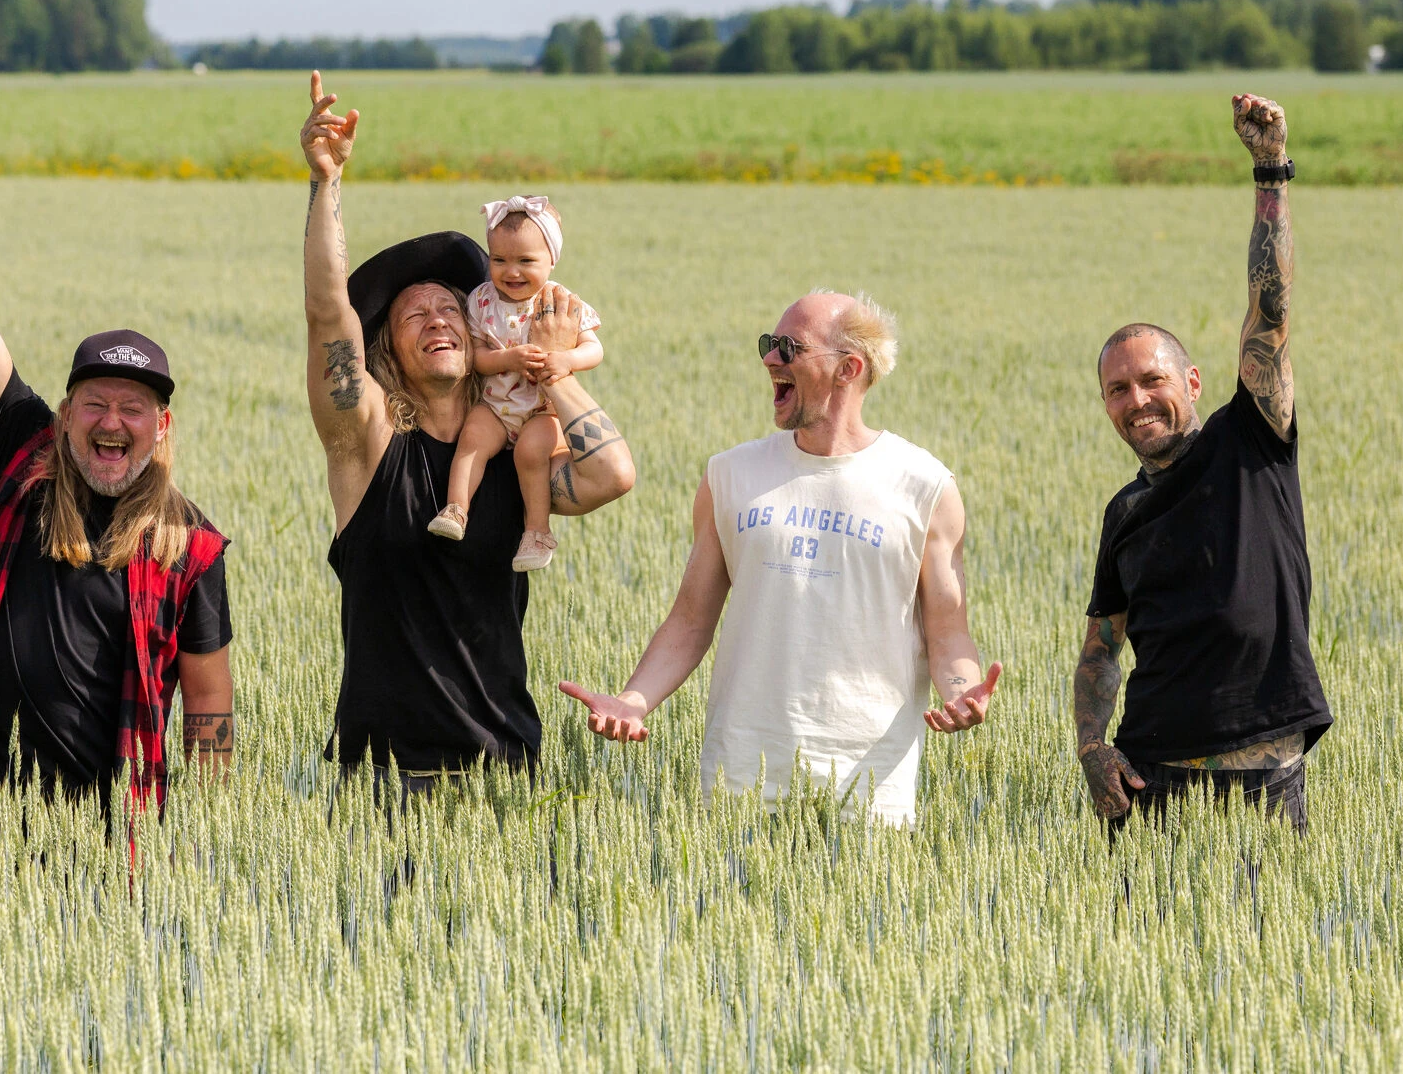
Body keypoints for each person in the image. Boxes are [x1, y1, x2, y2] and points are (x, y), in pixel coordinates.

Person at [298, 75, 635, 792]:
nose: (439, 321)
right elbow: (329, 316)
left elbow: (613, 475)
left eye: (452, 309)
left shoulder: (518, 461)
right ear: (386, 351)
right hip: (380, 781)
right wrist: (327, 182)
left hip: (504, 774)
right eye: (414, 315)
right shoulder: (368, 447)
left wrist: (551, 365)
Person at [559, 291, 1001, 827]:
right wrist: (634, 700)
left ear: (848, 368)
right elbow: (691, 619)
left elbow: (948, 633)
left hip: (870, 790)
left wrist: (961, 693)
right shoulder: (730, 475)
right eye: (769, 344)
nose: (770, 358)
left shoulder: (924, 486)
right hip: (741, 779)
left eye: (790, 347)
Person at [0, 138, 235, 819]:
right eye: (96, 403)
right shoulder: (24, 459)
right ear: (67, 414)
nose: (113, 421)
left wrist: (206, 828)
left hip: (107, 833)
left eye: (133, 407)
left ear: (161, 426)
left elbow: (208, 699)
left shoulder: (190, 544)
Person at [1074, 93, 1333, 834]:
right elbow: (1101, 650)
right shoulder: (1125, 512)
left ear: (1191, 382)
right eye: (1117, 390)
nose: (1137, 401)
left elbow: (1270, 312)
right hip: (1146, 782)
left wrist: (1270, 170)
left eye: (1151, 380)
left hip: (1262, 777)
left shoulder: (1250, 438)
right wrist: (1091, 746)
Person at [429, 195, 605, 572]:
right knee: (472, 439)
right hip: (496, 406)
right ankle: (456, 509)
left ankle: (537, 533)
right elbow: (476, 358)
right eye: (499, 260)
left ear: (551, 259)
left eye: (526, 261)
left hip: (542, 410)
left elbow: (594, 349)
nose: (512, 272)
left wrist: (566, 360)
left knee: (530, 454)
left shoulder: (560, 301)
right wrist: (508, 360)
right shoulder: (482, 301)